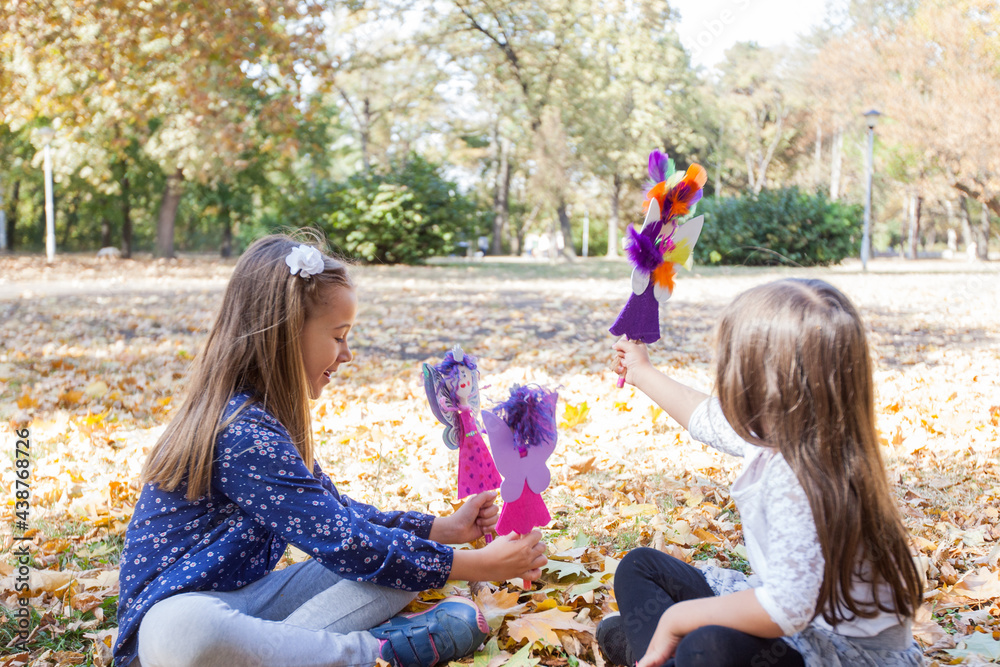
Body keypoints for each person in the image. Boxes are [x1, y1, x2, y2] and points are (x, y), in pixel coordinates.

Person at [114, 234, 547, 667]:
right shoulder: (240, 433)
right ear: (285, 334)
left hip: (251, 607)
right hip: (169, 632)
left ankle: (288, 656)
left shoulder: (268, 422)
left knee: (401, 563)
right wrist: (479, 565)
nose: (348, 354)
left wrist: (443, 530)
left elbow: (341, 518)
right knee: (190, 631)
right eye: (338, 337)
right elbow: (346, 542)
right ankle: (372, 653)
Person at [599, 278, 923, 667]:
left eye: (731, 362)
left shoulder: (802, 475)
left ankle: (655, 650)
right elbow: (705, 417)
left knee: (705, 646)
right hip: (788, 625)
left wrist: (674, 619)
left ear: (765, 384)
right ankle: (661, 654)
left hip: (836, 654)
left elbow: (787, 608)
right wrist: (641, 370)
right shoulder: (796, 428)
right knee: (640, 567)